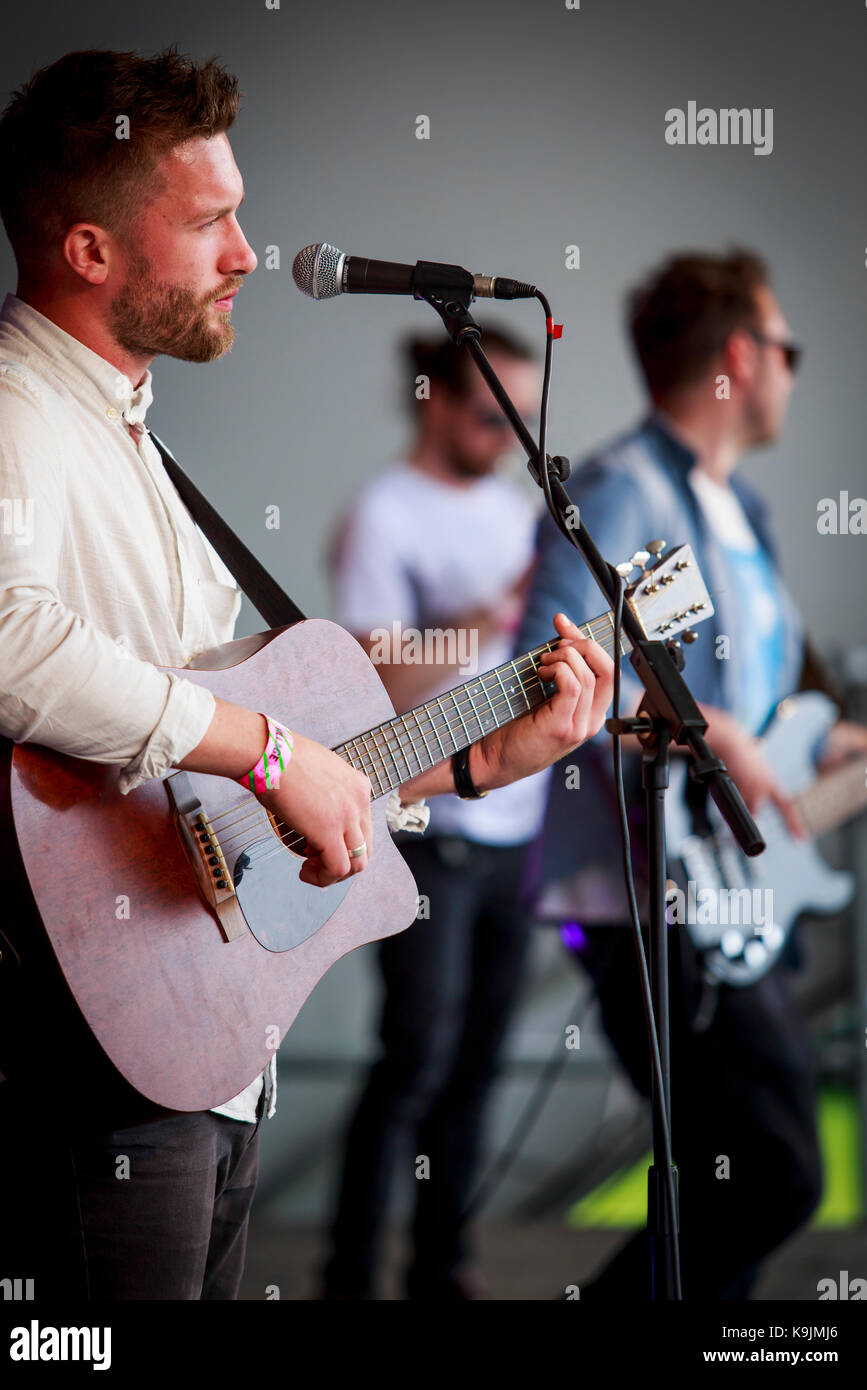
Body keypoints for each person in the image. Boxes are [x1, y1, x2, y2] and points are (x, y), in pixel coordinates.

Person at [0, 47, 613, 1301]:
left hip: (199, 1039)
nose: (249, 251)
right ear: (90, 251)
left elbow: (267, 769)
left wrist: (478, 760)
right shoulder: (2, 413)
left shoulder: (130, 435)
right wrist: (268, 752)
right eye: (209, 220)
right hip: (91, 1064)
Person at [516, 249, 867, 1299]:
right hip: (648, 894)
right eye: (786, 348)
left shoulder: (741, 512)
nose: (793, 372)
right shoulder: (626, 486)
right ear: (738, 355)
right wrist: (709, 724)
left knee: (741, 1180)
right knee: (771, 1171)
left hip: (725, 893)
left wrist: (826, 747)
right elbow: (561, 670)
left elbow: (772, 718)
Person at [322, 329, 552, 1300]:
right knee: (413, 1059)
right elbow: (371, 673)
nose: (506, 439)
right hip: (427, 828)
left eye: (522, 424)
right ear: (431, 398)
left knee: (478, 1068)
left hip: (521, 826)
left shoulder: (528, 511)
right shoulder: (382, 514)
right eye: (488, 415)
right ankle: (346, 1275)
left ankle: (439, 1270)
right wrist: (487, 615)